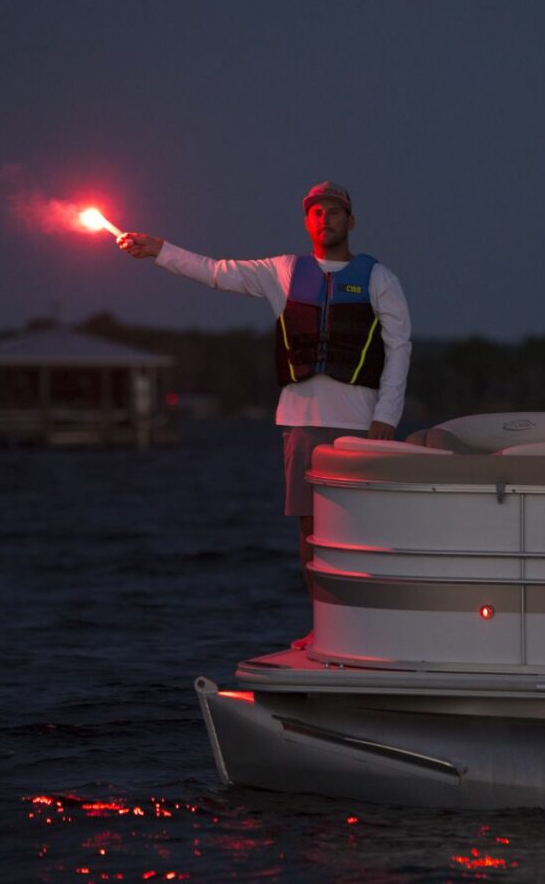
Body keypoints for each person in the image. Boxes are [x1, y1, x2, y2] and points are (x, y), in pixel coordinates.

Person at [118, 181, 411, 645]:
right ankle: (326, 629)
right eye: (316, 212)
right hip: (299, 422)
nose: (324, 219)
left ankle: (374, 625)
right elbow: (215, 271)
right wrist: (158, 249)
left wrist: (387, 418)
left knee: (362, 531)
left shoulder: (379, 279)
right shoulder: (282, 272)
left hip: (360, 424)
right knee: (310, 532)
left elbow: (399, 350)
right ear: (306, 222)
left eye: (334, 212)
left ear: (350, 221)